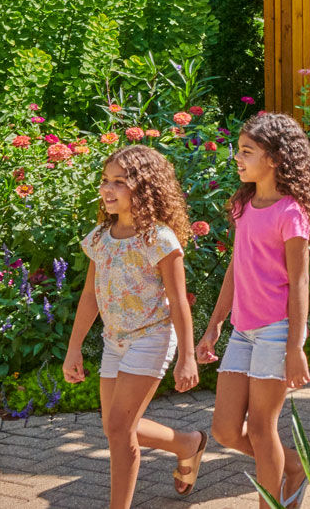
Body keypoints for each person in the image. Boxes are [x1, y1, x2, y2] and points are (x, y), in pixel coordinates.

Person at [196, 112, 310, 508]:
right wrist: (214, 326)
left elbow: (300, 283)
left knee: (260, 428)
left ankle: (270, 503)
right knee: (223, 429)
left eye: (246, 151)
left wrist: (295, 346)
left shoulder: (291, 213)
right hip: (242, 330)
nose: (237, 158)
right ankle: (297, 464)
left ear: (273, 158)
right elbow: (235, 271)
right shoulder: (244, 206)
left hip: (275, 331)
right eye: (238, 150)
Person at [62, 145, 207, 507]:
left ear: (143, 188)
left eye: (120, 183)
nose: (108, 190)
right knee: (116, 427)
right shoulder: (100, 237)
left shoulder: (159, 238)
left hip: (152, 338)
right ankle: (188, 444)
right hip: (115, 341)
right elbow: (91, 296)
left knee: (118, 429)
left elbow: (178, 301)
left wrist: (187, 357)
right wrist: (74, 347)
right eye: (105, 181)